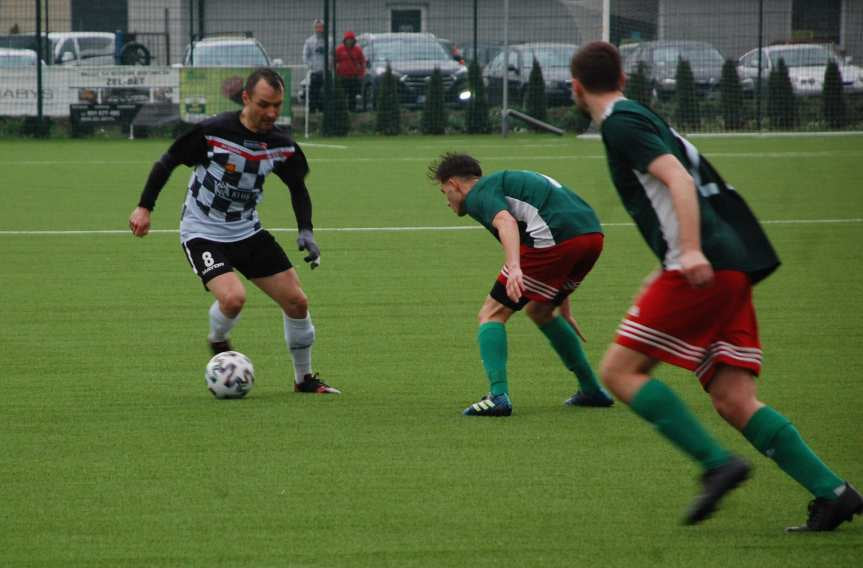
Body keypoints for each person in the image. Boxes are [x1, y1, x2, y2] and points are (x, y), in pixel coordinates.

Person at [569, 41, 861, 530]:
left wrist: (688, 251)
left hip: (703, 264)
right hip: (730, 263)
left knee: (620, 373)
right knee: (733, 399)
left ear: (575, 87)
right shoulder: (640, 115)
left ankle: (716, 464)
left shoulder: (620, 123)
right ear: (621, 77)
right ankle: (835, 493)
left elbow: (678, 180)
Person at [128, 67, 340, 395]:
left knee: (297, 302)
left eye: (277, 105)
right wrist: (144, 207)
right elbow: (167, 161)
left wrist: (306, 231)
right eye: (264, 104)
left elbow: (297, 188)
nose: (271, 113)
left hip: (247, 231)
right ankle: (218, 340)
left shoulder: (281, 145)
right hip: (201, 231)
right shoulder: (212, 132)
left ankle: (304, 379)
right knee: (234, 298)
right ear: (245, 98)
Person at [428, 153, 614, 417]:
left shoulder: (479, 193)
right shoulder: (503, 184)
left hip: (555, 238)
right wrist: (563, 305)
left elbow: (506, 221)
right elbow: (558, 222)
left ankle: (498, 397)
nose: (447, 201)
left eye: (444, 191)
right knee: (540, 311)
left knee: (491, 314)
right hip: (591, 235)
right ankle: (591, 390)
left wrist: (515, 267)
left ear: (455, 184)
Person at [334, 30, 366, 112]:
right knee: (342, 94)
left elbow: (362, 62)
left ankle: (352, 109)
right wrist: (336, 73)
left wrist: (361, 73)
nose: (349, 41)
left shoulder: (358, 50)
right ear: (345, 40)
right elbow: (334, 61)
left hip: (353, 76)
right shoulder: (339, 49)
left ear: (353, 40)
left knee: (352, 94)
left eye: (351, 39)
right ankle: (341, 110)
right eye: (348, 39)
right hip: (342, 77)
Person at [302, 19, 326, 112]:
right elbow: (305, 56)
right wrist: (311, 66)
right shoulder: (309, 41)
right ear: (314, 28)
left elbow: (332, 54)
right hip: (315, 72)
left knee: (324, 93)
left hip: (326, 72)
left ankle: (323, 110)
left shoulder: (329, 40)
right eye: (317, 27)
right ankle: (312, 111)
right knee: (313, 92)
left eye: (321, 27)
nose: (319, 29)